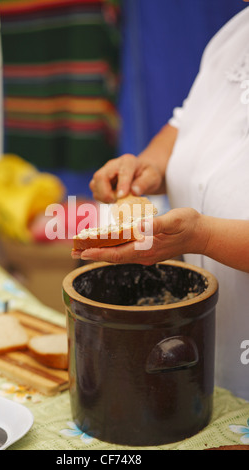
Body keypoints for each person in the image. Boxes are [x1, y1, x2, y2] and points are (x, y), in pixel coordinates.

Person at [72, 4, 249, 401]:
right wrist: (146, 167)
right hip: (211, 358)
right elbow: (185, 125)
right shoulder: (236, 34)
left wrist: (201, 237)